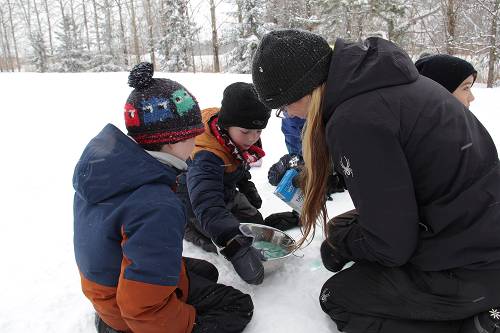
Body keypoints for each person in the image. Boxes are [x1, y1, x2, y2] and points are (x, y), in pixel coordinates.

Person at [252, 29, 500, 333]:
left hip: (471, 264)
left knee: (338, 297)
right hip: (475, 227)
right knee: (340, 229)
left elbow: (392, 245)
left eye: (284, 106)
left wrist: (341, 247)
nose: (288, 115)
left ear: (305, 92)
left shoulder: (354, 120)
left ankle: (474, 323)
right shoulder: (383, 82)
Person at [73, 62, 253, 333]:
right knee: (238, 306)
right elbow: (141, 309)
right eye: (193, 135)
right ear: (172, 140)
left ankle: (112, 320)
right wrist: (187, 323)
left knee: (206, 272)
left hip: (105, 291)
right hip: (129, 313)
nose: (197, 142)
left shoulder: (110, 169)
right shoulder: (156, 205)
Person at [180, 82, 275, 285]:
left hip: (224, 190)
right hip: (194, 200)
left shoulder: (236, 138)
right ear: (227, 124)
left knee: (255, 225)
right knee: (217, 239)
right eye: (246, 131)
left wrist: (247, 187)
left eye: (258, 131)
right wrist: (235, 247)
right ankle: (187, 227)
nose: (253, 138)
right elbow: (207, 205)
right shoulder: (206, 156)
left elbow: (238, 163)